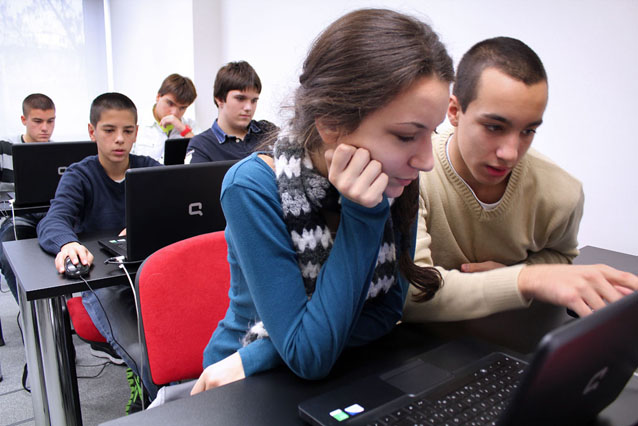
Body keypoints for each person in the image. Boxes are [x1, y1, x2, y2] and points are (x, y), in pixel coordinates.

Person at [188, 8, 454, 395]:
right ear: (330, 124)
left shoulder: (391, 176)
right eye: (405, 135)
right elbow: (308, 355)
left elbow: (388, 309)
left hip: (288, 362)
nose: (426, 160)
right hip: (239, 383)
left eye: (432, 132)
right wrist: (364, 214)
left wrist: (268, 352)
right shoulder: (253, 187)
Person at [403, 37, 638, 323]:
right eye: (494, 127)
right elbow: (413, 293)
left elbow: (560, 256)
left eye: (528, 131)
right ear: (454, 112)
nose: (510, 153)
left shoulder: (562, 193)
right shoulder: (407, 176)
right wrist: (524, 279)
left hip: (504, 333)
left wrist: (514, 277)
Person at [36, 92, 160, 411]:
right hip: (104, 282)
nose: (119, 139)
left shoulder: (149, 170)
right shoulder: (80, 175)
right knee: (140, 350)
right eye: (109, 130)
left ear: (136, 132)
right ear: (92, 132)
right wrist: (68, 243)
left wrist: (143, 227)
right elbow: (54, 219)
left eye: (128, 130)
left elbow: (177, 213)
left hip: (151, 275)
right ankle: (162, 398)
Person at [0, 93, 56, 302]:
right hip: (16, 217)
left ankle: (61, 310)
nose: (45, 128)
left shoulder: (58, 151)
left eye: (50, 121)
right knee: (9, 255)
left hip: (50, 217)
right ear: (24, 120)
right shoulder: (5, 148)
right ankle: (31, 312)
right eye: (38, 121)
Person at [184, 61, 277, 164]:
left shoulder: (268, 131)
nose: (248, 107)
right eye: (240, 98)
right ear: (220, 99)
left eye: (254, 100)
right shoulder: (201, 145)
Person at [131, 73, 199, 163]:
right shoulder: (136, 121)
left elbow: (203, 156)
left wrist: (183, 130)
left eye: (182, 108)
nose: (174, 113)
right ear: (158, 97)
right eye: (170, 103)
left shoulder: (190, 126)